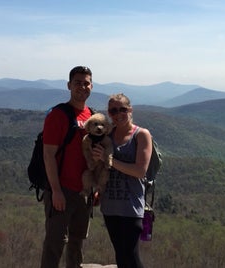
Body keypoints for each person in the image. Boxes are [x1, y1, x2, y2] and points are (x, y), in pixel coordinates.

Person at [40, 66, 95, 268]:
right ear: (69, 85)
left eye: (86, 83)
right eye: (78, 82)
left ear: (91, 86)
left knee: (77, 242)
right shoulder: (58, 114)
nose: (82, 86)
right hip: (61, 190)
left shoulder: (92, 116)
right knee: (55, 243)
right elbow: (48, 155)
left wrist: (94, 188)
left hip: (84, 192)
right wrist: (55, 191)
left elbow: (92, 157)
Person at [93, 93, 152, 268]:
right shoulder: (107, 134)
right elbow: (101, 167)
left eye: (122, 109)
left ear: (130, 110)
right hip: (110, 205)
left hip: (131, 206)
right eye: (113, 110)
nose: (118, 114)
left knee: (131, 256)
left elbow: (140, 171)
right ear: (109, 113)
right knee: (120, 254)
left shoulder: (141, 135)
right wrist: (98, 188)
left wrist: (109, 160)